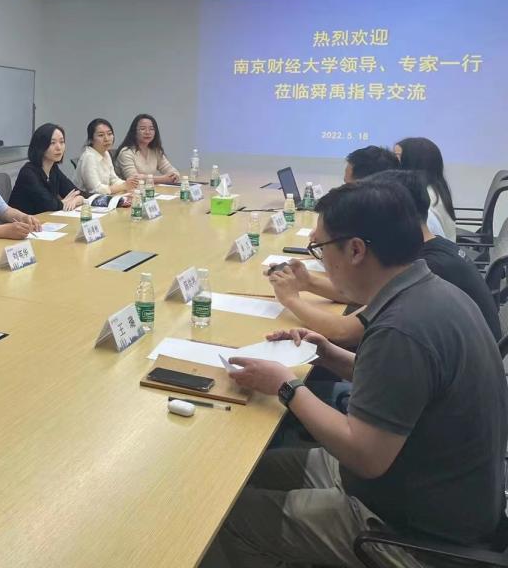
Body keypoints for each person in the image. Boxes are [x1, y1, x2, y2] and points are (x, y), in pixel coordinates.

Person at [206, 179, 508, 568]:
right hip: (432, 487)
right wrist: (328, 354)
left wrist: (286, 387)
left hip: (412, 531)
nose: (320, 261)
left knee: (227, 518)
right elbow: (402, 389)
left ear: (355, 250)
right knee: (241, 476)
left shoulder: (402, 328)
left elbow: (366, 456)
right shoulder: (431, 292)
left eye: (320, 249)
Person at [268, 167, 500, 345]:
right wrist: (308, 283)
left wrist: (291, 300)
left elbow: (343, 331)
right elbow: (363, 296)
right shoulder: (421, 258)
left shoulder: (424, 273)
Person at [8, 123, 86, 215]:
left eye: (62, 142)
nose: (59, 147)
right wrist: (63, 202)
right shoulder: (28, 173)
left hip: (44, 220)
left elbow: (77, 193)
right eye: (52, 143)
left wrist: (75, 200)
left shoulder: (53, 169)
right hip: (23, 222)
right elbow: (49, 205)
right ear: (40, 146)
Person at [395, 136, 456, 239]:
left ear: (412, 162)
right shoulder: (434, 190)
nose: (391, 161)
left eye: (397, 157)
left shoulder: (424, 200)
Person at [75, 118, 141, 196]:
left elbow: (114, 180)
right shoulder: (89, 157)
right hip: (86, 200)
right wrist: (123, 186)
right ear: (91, 139)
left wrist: (129, 184)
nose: (106, 139)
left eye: (109, 134)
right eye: (101, 135)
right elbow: (95, 189)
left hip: (104, 197)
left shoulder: (105, 153)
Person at [114, 114, 180, 184]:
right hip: (127, 190)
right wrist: (163, 179)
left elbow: (171, 170)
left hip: (147, 189)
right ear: (134, 132)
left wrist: (174, 176)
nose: (147, 132)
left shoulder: (155, 151)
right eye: (143, 129)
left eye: (151, 129)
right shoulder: (126, 152)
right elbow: (134, 179)